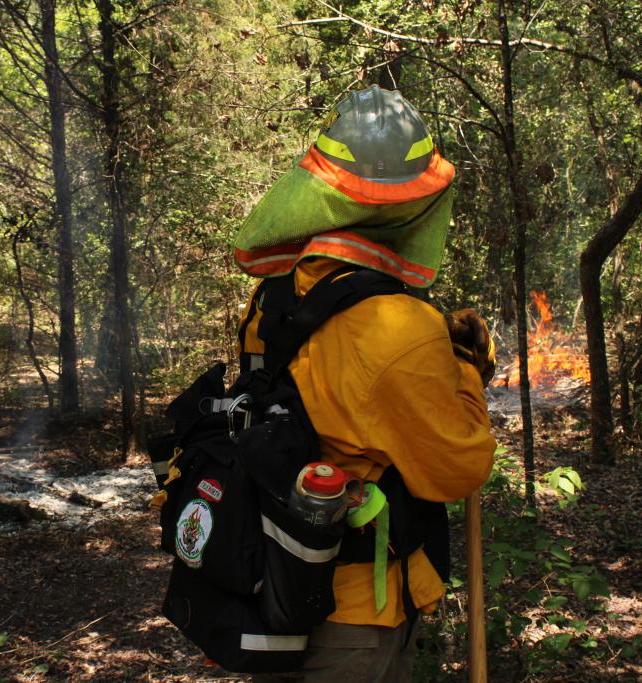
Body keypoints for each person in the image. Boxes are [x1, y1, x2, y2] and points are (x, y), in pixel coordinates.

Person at [233, 85, 497, 682]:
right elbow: (459, 467)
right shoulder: (400, 327)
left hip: (276, 586)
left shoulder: (276, 297)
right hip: (354, 619)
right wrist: (461, 370)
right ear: (410, 206)